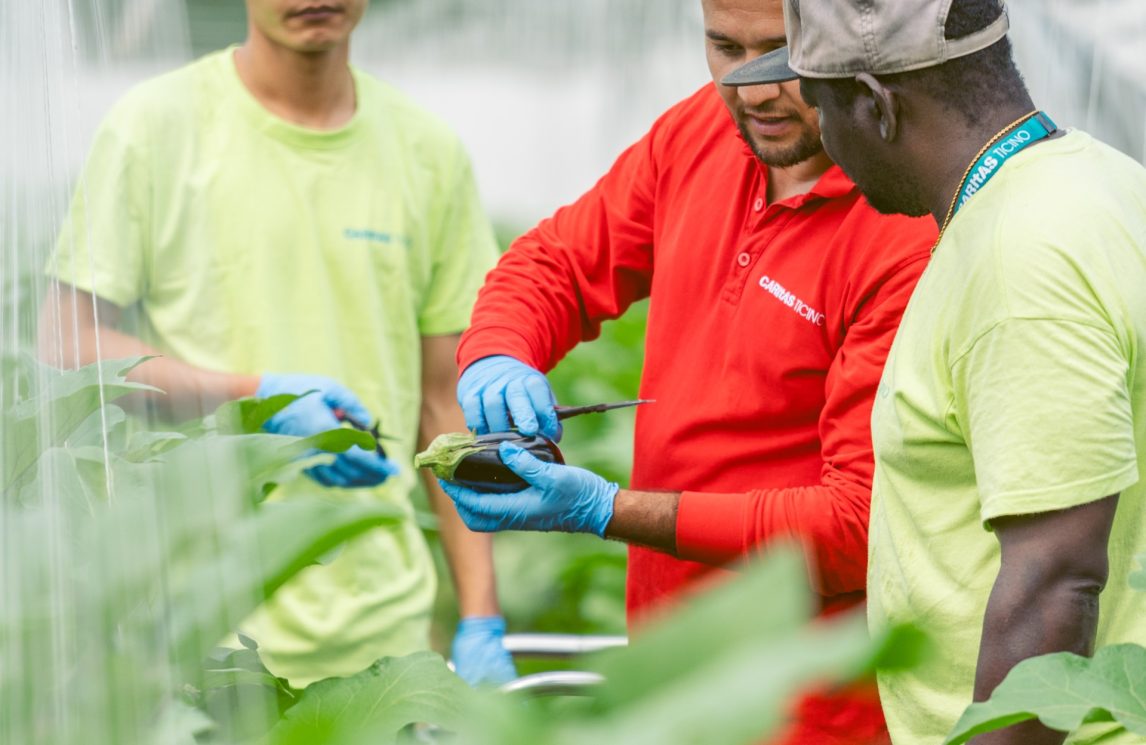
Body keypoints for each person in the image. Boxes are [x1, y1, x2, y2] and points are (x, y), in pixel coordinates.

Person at [437, 0, 937, 740]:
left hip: (807, 702)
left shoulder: (905, 227)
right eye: (724, 46)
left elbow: (855, 527)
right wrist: (498, 351)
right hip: (667, 667)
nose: (752, 88)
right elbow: (560, 263)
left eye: (782, 53)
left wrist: (606, 508)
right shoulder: (700, 133)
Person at [39, 0, 515, 688]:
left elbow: (445, 404)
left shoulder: (427, 152)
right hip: (201, 638)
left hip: (383, 643)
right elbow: (65, 346)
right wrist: (251, 396)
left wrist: (481, 617)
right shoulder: (155, 128)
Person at [725, 0, 1146, 743]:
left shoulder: (1021, 258)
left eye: (822, 104)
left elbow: (1057, 582)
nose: (823, 135)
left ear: (877, 105)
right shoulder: (1107, 182)